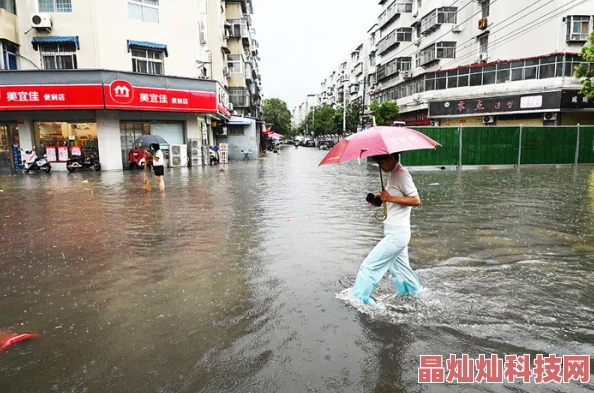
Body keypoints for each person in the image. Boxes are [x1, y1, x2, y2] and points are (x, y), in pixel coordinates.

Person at [352, 152, 422, 306]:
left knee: (369, 266)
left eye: (381, 162)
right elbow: (397, 198)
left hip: (397, 234)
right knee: (401, 271)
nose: (380, 166)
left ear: (391, 158)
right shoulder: (393, 175)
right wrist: (381, 198)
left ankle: (359, 299)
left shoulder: (401, 175)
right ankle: (415, 295)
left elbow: (416, 200)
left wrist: (389, 198)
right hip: (394, 231)